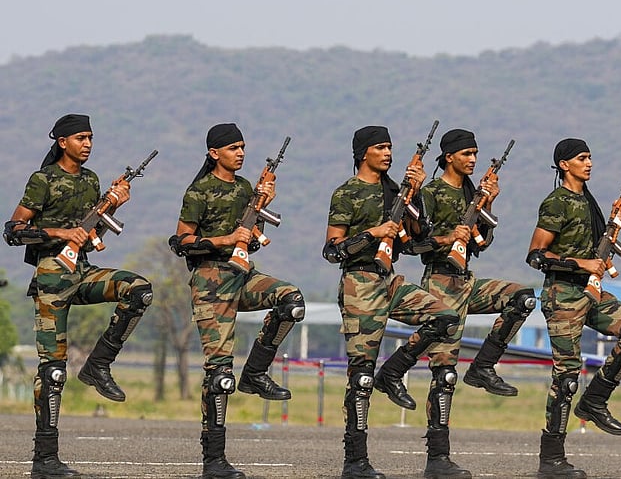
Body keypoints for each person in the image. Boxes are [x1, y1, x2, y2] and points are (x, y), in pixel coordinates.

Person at [4, 114, 154, 478]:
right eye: (81, 138)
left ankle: (98, 365)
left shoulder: (91, 181)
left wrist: (114, 204)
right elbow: (13, 230)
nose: (88, 144)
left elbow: (93, 229)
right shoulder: (43, 180)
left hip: (83, 272)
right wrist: (61, 233)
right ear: (62, 142)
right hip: (52, 278)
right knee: (53, 372)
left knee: (138, 290)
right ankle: (45, 459)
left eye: (91, 138)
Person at [323, 125, 461, 479]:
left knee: (444, 318)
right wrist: (372, 233)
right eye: (380, 147)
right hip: (359, 284)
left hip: (391, 281)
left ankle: (394, 370)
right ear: (363, 153)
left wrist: (413, 195)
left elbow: (418, 239)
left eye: (390, 148)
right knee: (361, 378)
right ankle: (355, 461)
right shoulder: (347, 193)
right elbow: (332, 250)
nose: (387, 153)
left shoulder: (395, 191)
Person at [170, 123, 306, 479]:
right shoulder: (199, 190)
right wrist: (225, 239)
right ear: (214, 153)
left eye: (243, 147)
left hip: (244, 276)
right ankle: (213, 459)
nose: (240, 153)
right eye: (233, 148)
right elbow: (182, 240)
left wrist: (262, 205)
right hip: (210, 283)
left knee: (291, 301)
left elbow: (252, 237)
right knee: (219, 375)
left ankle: (256, 373)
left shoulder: (246, 187)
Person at [412, 129, 536, 478]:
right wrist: (448, 238)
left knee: (521, 297)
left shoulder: (472, 192)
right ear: (449, 156)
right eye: (466, 153)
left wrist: (488, 203)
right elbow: (415, 243)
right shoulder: (432, 192)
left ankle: (483, 367)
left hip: (467, 280)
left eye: (475, 154)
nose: (472, 159)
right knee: (444, 373)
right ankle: (437, 458)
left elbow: (481, 243)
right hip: (439, 283)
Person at [525, 138, 621, 479]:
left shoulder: (587, 201)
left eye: (590, 157)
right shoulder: (557, 202)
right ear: (564, 165)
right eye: (582, 158)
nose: (589, 163)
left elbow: (598, 251)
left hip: (590, 294)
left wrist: (615, 224)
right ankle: (551, 459)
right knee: (566, 377)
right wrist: (580, 263)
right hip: (562, 294)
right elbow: (536, 255)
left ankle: (595, 400)